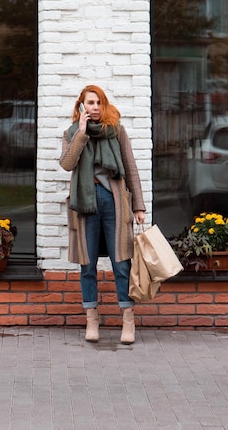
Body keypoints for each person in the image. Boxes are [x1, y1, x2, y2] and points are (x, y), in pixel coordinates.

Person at [60, 85, 146, 344]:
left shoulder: (116, 130)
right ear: (81, 106)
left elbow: (130, 167)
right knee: (88, 265)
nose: (95, 107)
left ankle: (128, 321)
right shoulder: (73, 133)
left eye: (99, 102)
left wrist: (139, 205)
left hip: (114, 201)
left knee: (122, 262)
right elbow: (67, 164)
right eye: (90, 103)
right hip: (86, 203)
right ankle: (92, 319)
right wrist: (82, 134)